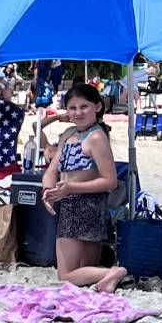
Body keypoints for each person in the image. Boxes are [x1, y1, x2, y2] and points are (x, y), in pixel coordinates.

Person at [42, 84, 127, 292]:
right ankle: (107, 276)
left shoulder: (96, 137)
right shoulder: (69, 134)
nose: (78, 112)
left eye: (84, 107)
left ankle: (113, 272)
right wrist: (48, 191)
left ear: (97, 107)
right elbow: (51, 171)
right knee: (83, 271)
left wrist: (71, 187)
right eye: (72, 108)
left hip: (85, 204)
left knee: (65, 275)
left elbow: (110, 181)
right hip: (74, 203)